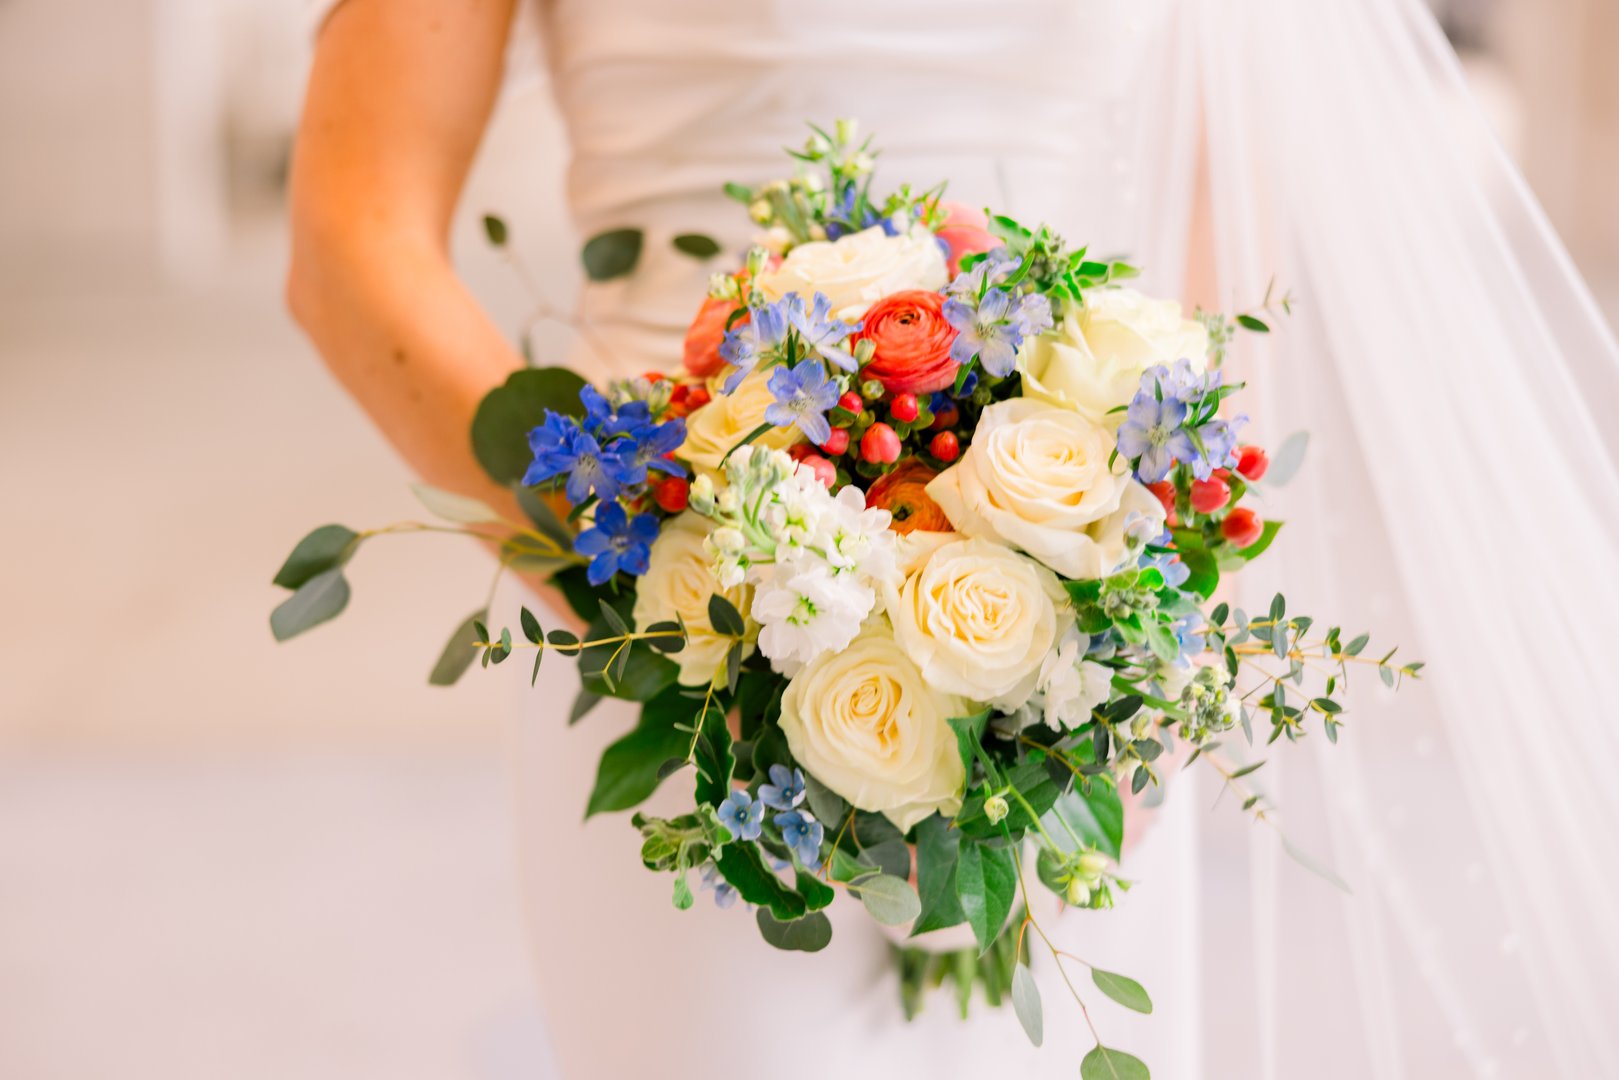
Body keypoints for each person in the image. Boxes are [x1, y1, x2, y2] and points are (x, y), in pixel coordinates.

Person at [287, 1, 1619, 1076]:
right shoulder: (669, 610)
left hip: (1070, 645)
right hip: (677, 626)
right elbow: (353, 239)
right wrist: (661, 590)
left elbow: (1229, 197)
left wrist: (1146, 639)